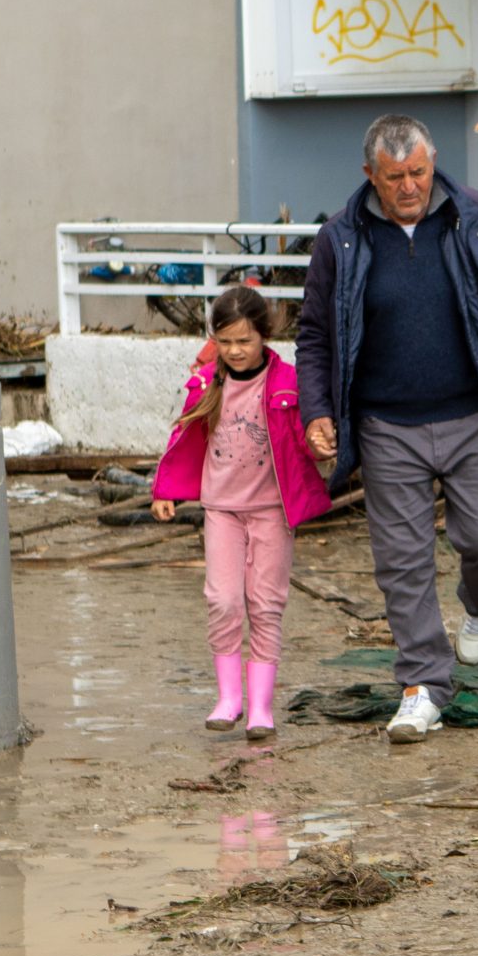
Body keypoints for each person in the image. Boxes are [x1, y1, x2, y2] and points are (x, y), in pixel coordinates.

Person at [296, 115, 478, 744]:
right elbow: (313, 336)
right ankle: (422, 688)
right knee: (403, 564)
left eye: (418, 172)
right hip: (387, 424)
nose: (410, 186)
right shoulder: (342, 239)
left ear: (433, 161)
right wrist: (316, 410)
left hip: (472, 413)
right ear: (370, 177)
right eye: (395, 178)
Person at [149, 285, 333, 740]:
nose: (234, 351)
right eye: (225, 341)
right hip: (222, 510)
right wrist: (165, 488)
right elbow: (183, 440)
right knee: (223, 600)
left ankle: (261, 709)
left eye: (244, 342)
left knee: (266, 604)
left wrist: (320, 448)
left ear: (264, 337)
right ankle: (229, 698)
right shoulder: (205, 384)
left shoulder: (289, 382)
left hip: (273, 510)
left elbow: (311, 441)